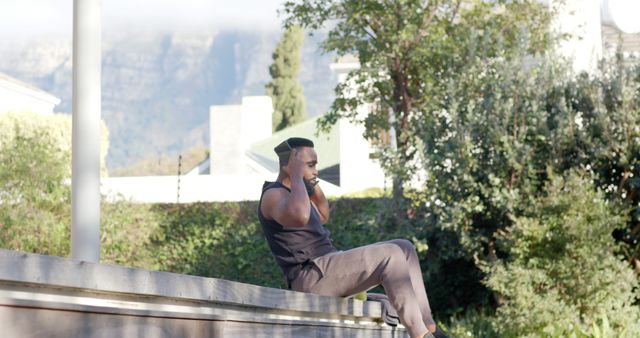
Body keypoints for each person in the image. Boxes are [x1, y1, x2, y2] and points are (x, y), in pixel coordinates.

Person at [257, 137, 447, 338]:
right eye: (310, 165)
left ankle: (430, 327)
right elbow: (301, 216)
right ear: (290, 164)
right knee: (390, 254)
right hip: (310, 276)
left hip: (327, 268)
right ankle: (420, 335)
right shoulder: (273, 195)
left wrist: (309, 181)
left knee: (404, 247)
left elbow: (322, 214)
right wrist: (296, 174)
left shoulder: (298, 194)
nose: (316, 170)